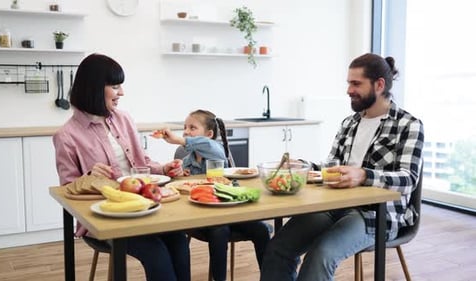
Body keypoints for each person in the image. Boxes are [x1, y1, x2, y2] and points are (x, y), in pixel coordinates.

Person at [260, 53, 424, 281]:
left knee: (322, 254)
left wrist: (364, 175)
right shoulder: (350, 123)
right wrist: (306, 166)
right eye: (348, 83)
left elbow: (408, 179)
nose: (349, 90)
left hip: (376, 213)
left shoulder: (408, 125)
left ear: (379, 85)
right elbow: (332, 166)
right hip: (335, 205)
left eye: (356, 83)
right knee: (279, 247)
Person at [53, 53, 190, 281]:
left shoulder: (123, 118)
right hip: (107, 216)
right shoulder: (66, 136)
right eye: (115, 86)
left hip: (144, 206)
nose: (122, 93)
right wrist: (88, 177)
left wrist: (164, 169)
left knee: (177, 239)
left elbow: (141, 164)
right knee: (155, 251)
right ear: (94, 88)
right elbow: (68, 191)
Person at [158, 109, 271, 281]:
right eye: (185, 127)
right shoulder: (187, 160)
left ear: (209, 134)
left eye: (192, 128)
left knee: (262, 230)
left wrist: (180, 140)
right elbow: (180, 185)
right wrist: (179, 172)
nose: (186, 132)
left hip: (230, 213)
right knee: (220, 231)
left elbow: (207, 145)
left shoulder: (216, 151)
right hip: (206, 217)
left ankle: (269, 276)